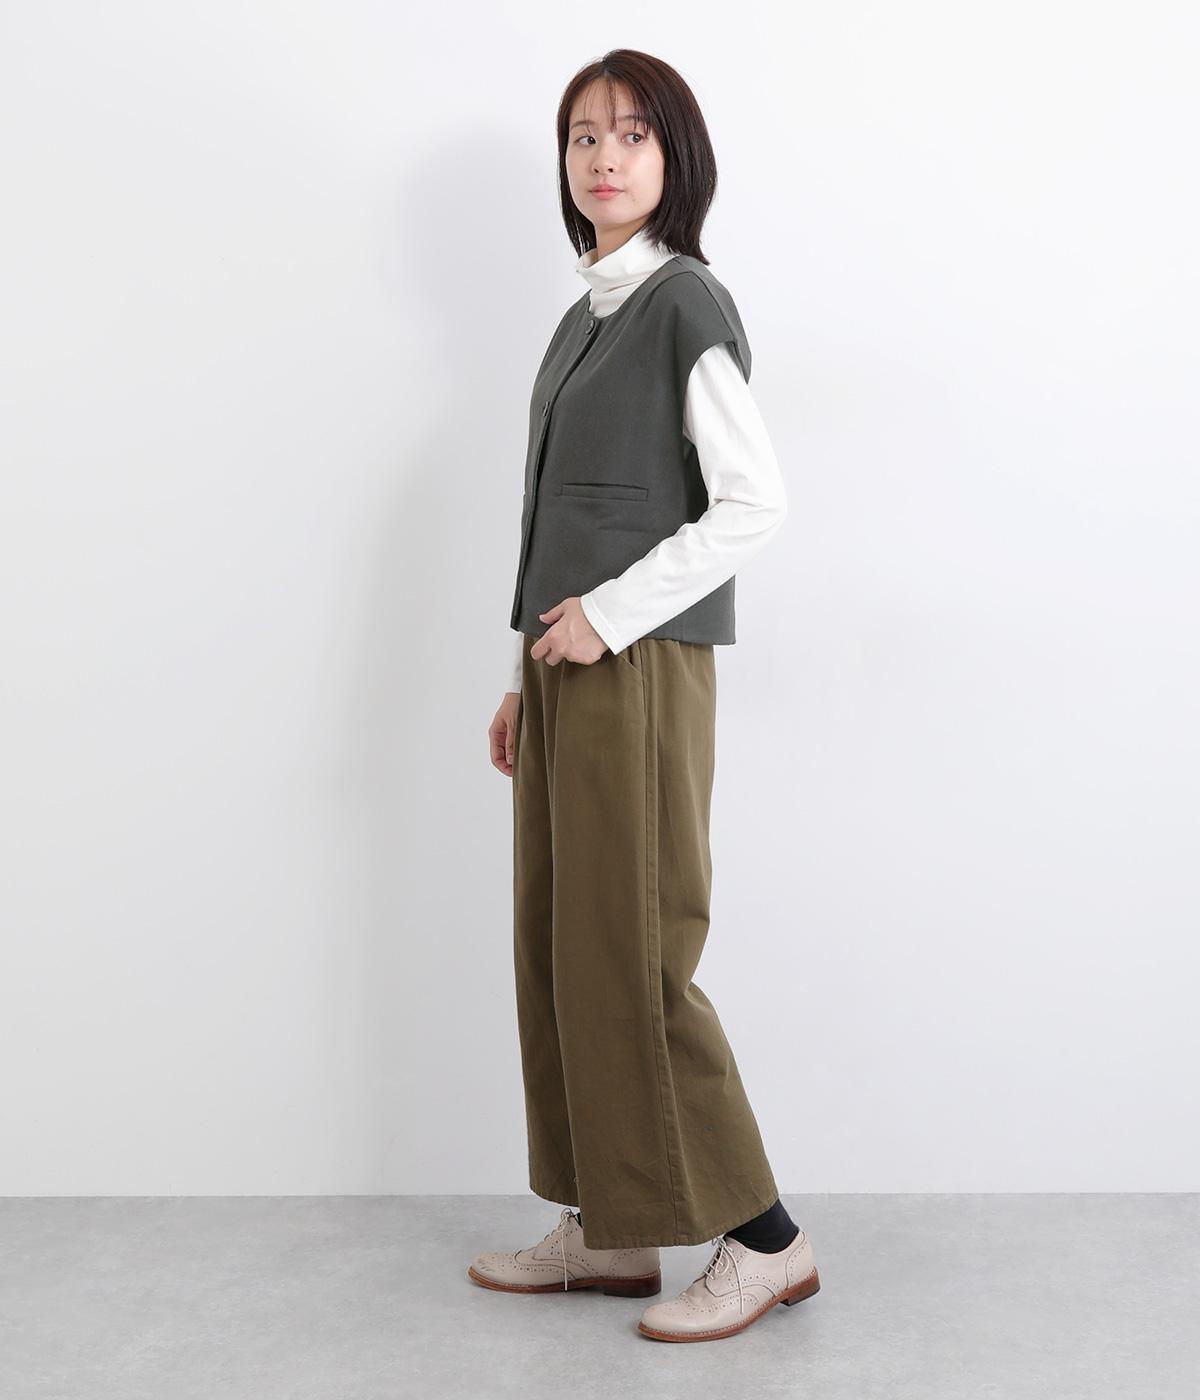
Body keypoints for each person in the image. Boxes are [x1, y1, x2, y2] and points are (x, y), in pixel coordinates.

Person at [476, 50, 821, 1343]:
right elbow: (561, 519)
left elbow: (754, 505)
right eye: (582, 137)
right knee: (560, 944)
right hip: (566, 672)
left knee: (636, 949)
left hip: (640, 667)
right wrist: (522, 678)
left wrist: (610, 619)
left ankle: (766, 1240)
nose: (603, 157)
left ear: (676, 157)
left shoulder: (684, 303)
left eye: (630, 134)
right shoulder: (584, 316)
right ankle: (613, 1227)